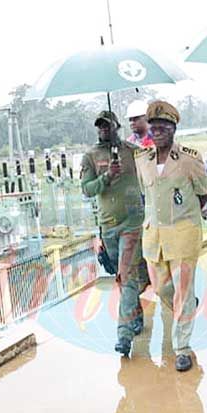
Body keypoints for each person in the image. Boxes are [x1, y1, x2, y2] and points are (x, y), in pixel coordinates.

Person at [135, 101, 207, 372]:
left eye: (164, 127)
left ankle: (182, 348)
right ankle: (188, 303)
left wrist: (186, 210)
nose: (158, 132)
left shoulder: (189, 158)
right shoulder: (141, 159)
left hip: (183, 233)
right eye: (154, 127)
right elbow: (148, 195)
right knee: (160, 288)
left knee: (181, 290)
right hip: (153, 236)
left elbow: (203, 192)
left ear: (174, 129)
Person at [79, 111, 149, 357]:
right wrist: (107, 177)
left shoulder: (133, 151)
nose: (103, 130)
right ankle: (136, 315)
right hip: (108, 225)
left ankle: (124, 334)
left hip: (134, 222)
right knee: (125, 276)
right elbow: (87, 190)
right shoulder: (90, 157)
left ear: (117, 126)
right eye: (99, 126)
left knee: (126, 275)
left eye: (107, 125)